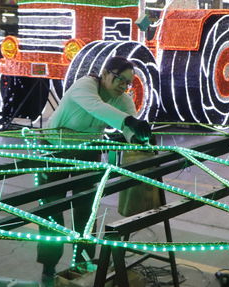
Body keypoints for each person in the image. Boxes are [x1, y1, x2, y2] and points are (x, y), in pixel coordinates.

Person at [38, 56, 151, 285]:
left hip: (88, 151)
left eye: (128, 83)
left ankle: (82, 262)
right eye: (120, 79)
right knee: (52, 211)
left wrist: (139, 137)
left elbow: (130, 126)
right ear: (106, 73)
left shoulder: (123, 100)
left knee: (86, 209)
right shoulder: (85, 85)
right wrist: (129, 122)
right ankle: (49, 266)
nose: (124, 86)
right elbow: (97, 108)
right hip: (53, 149)